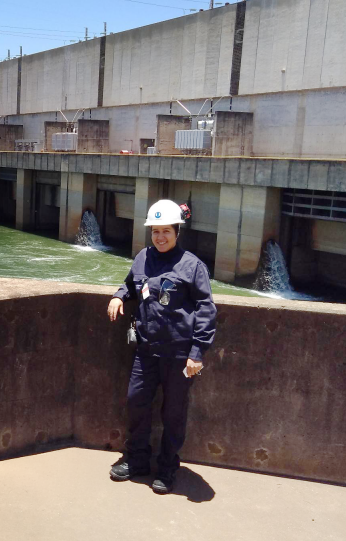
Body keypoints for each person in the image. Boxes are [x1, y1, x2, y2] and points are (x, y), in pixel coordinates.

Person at [106, 199, 217, 494]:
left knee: (174, 413)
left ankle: (168, 469)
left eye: (166, 231)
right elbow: (132, 284)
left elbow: (206, 309)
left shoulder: (192, 266)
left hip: (179, 355)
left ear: (177, 231)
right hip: (147, 349)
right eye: (155, 231)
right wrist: (119, 296)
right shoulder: (143, 256)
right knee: (136, 402)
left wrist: (197, 353)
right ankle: (137, 459)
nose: (160, 237)